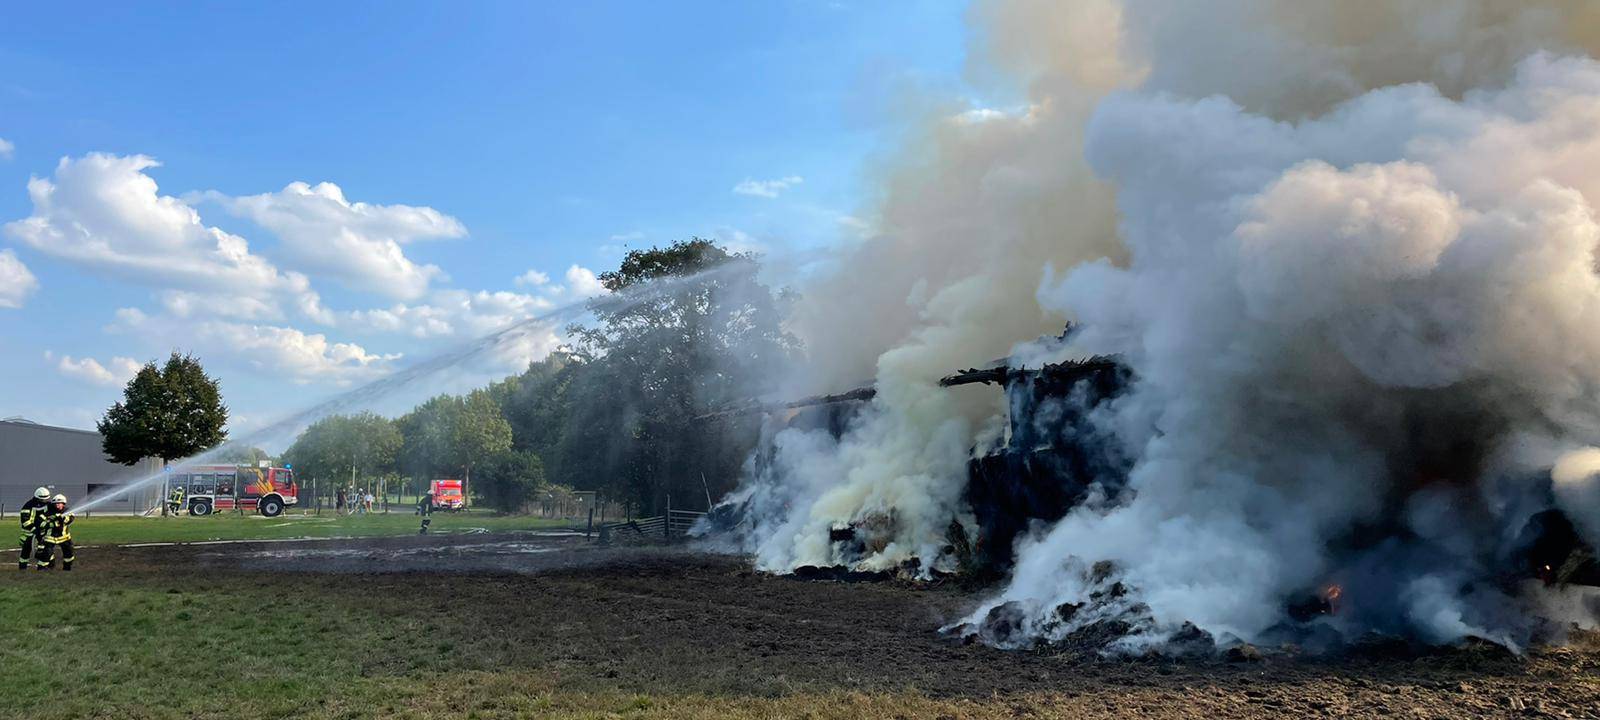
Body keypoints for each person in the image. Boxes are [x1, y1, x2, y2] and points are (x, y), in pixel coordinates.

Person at [35, 494, 74, 571]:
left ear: (63, 504)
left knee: (69, 555)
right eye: (56, 504)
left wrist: (62, 518)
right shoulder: (48, 512)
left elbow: (70, 519)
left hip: (64, 537)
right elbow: (39, 523)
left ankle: (67, 569)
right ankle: (41, 569)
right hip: (51, 538)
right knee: (47, 554)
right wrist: (52, 524)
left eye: (59, 503)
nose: (58, 505)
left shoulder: (68, 511)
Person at [17, 486, 48, 571]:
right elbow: (25, 521)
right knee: (26, 550)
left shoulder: (47, 505)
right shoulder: (28, 506)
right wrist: (34, 529)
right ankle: (22, 567)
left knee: (45, 548)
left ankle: (43, 567)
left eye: (46, 499)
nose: (44, 501)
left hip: (42, 531)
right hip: (29, 532)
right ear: (37, 497)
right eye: (42, 499)